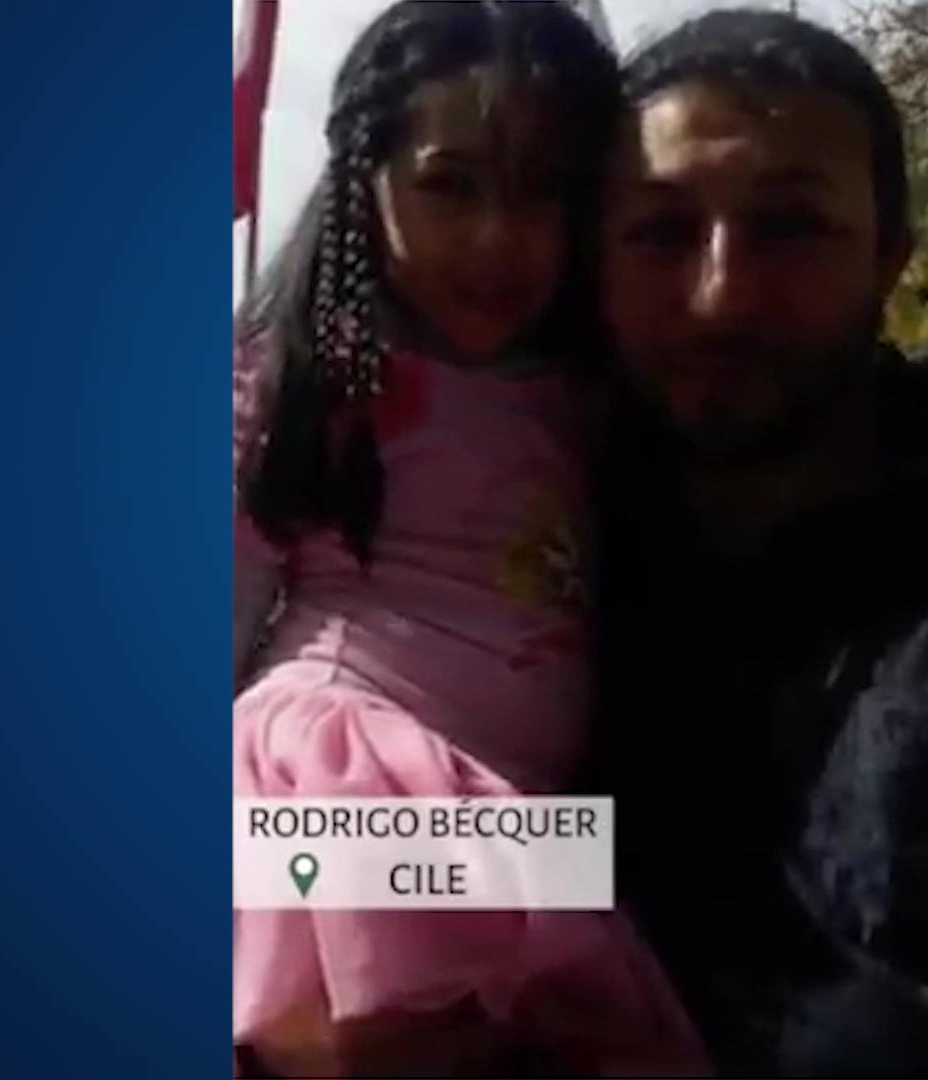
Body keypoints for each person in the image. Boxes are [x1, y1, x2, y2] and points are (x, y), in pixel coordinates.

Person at [229, 3, 704, 1075]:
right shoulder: (304, 381)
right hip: (338, 769)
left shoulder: (586, 396)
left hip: (526, 831)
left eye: (545, 190)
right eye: (450, 186)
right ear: (365, 185)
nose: (500, 238)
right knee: (382, 1036)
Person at [591, 10, 928, 1076]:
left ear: (891, 256)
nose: (720, 297)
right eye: (661, 231)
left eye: (792, 227)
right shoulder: (493, 562)